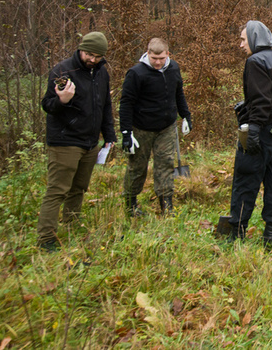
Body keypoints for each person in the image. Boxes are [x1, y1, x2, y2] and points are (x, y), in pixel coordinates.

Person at [37, 32, 117, 251]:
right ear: (81, 49)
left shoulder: (101, 73)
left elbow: (105, 105)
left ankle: (71, 224)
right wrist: (62, 100)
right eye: (89, 54)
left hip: (90, 141)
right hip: (65, 140)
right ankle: (46, 239)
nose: (92, 59)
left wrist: (109, 135)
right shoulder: (62, 71)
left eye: (98, 56)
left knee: (79, 187)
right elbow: (47, 105)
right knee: (57, 190)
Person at [228, 20, 272, 249]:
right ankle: (270, 234)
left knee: (245, 179)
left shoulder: (255, 61)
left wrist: (253, 129)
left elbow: (263, 101)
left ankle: (236, 235)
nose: (241, 44)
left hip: (260, 131)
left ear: (255, 38)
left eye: (244, 39)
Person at [120, 38, 192, 216]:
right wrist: (126, 133)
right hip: (141, 128)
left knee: (165, 164)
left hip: (166, 127)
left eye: (161, 58)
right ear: (148, 54)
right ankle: (130, 204)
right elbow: (126, 103)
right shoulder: (136, 73)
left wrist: (186, 116)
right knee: (137, 167)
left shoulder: (174, 68)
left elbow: (179, 93)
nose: (158, 62)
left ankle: (166, 206)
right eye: (154, 58)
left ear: (168, 54)